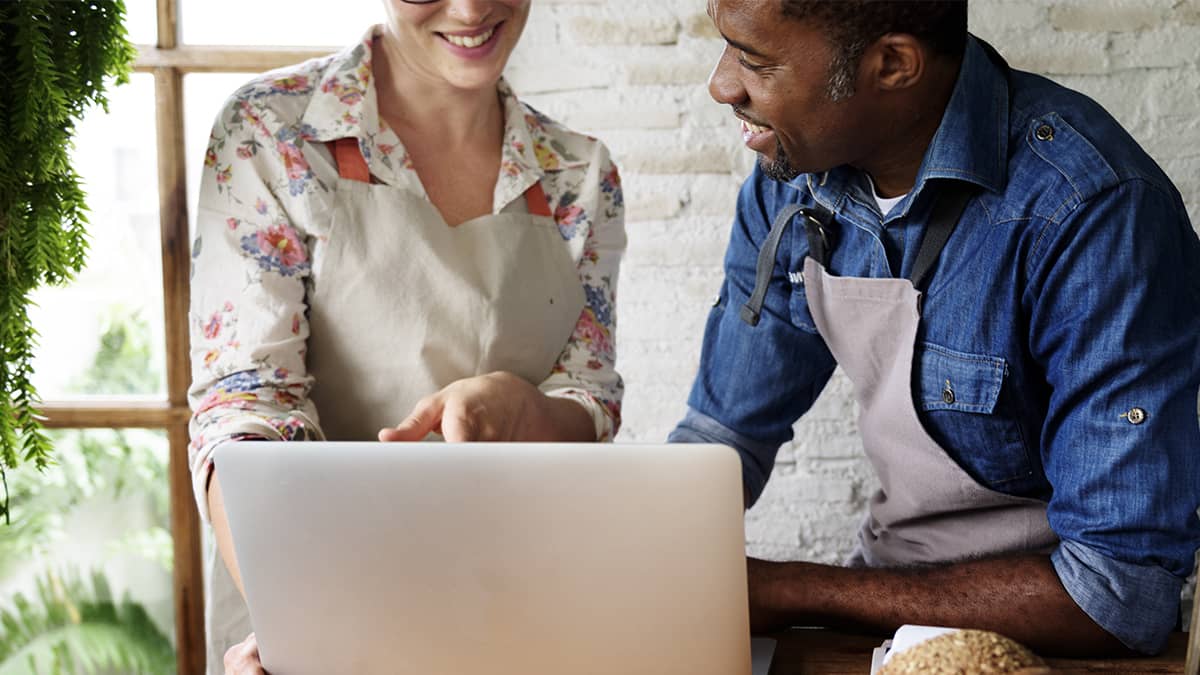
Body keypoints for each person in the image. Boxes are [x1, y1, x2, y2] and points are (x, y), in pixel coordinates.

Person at [670, 0, 1200, 658]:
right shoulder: (793, 180)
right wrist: (642, 551)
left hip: (1058, 638)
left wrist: (779, 590)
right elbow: (725, 433)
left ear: (892, 64)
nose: (722, 85)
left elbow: (1116, 594)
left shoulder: (1093, 214)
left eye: (755, 60)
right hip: (887, 602)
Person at [187, 1, 626, 671]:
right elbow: (247, 409)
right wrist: (310, 623)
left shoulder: (578, 174)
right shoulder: (271, 135)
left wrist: (524, 406)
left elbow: (587, 395)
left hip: (517, 614)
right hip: (309, 613)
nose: (473, 8)